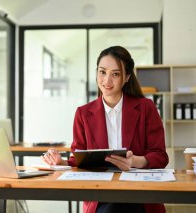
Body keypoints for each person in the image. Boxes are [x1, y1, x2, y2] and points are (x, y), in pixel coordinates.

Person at [41, 46, 169, 213]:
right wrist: (61, 162)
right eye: (102, 72)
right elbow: (79, 157)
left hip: (139, 192)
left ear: (127, 77)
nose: (107, 81)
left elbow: (160, 156)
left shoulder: (146, 108)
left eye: (115, 74)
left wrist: (134, 162)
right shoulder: (83, 113)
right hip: (101, 193)